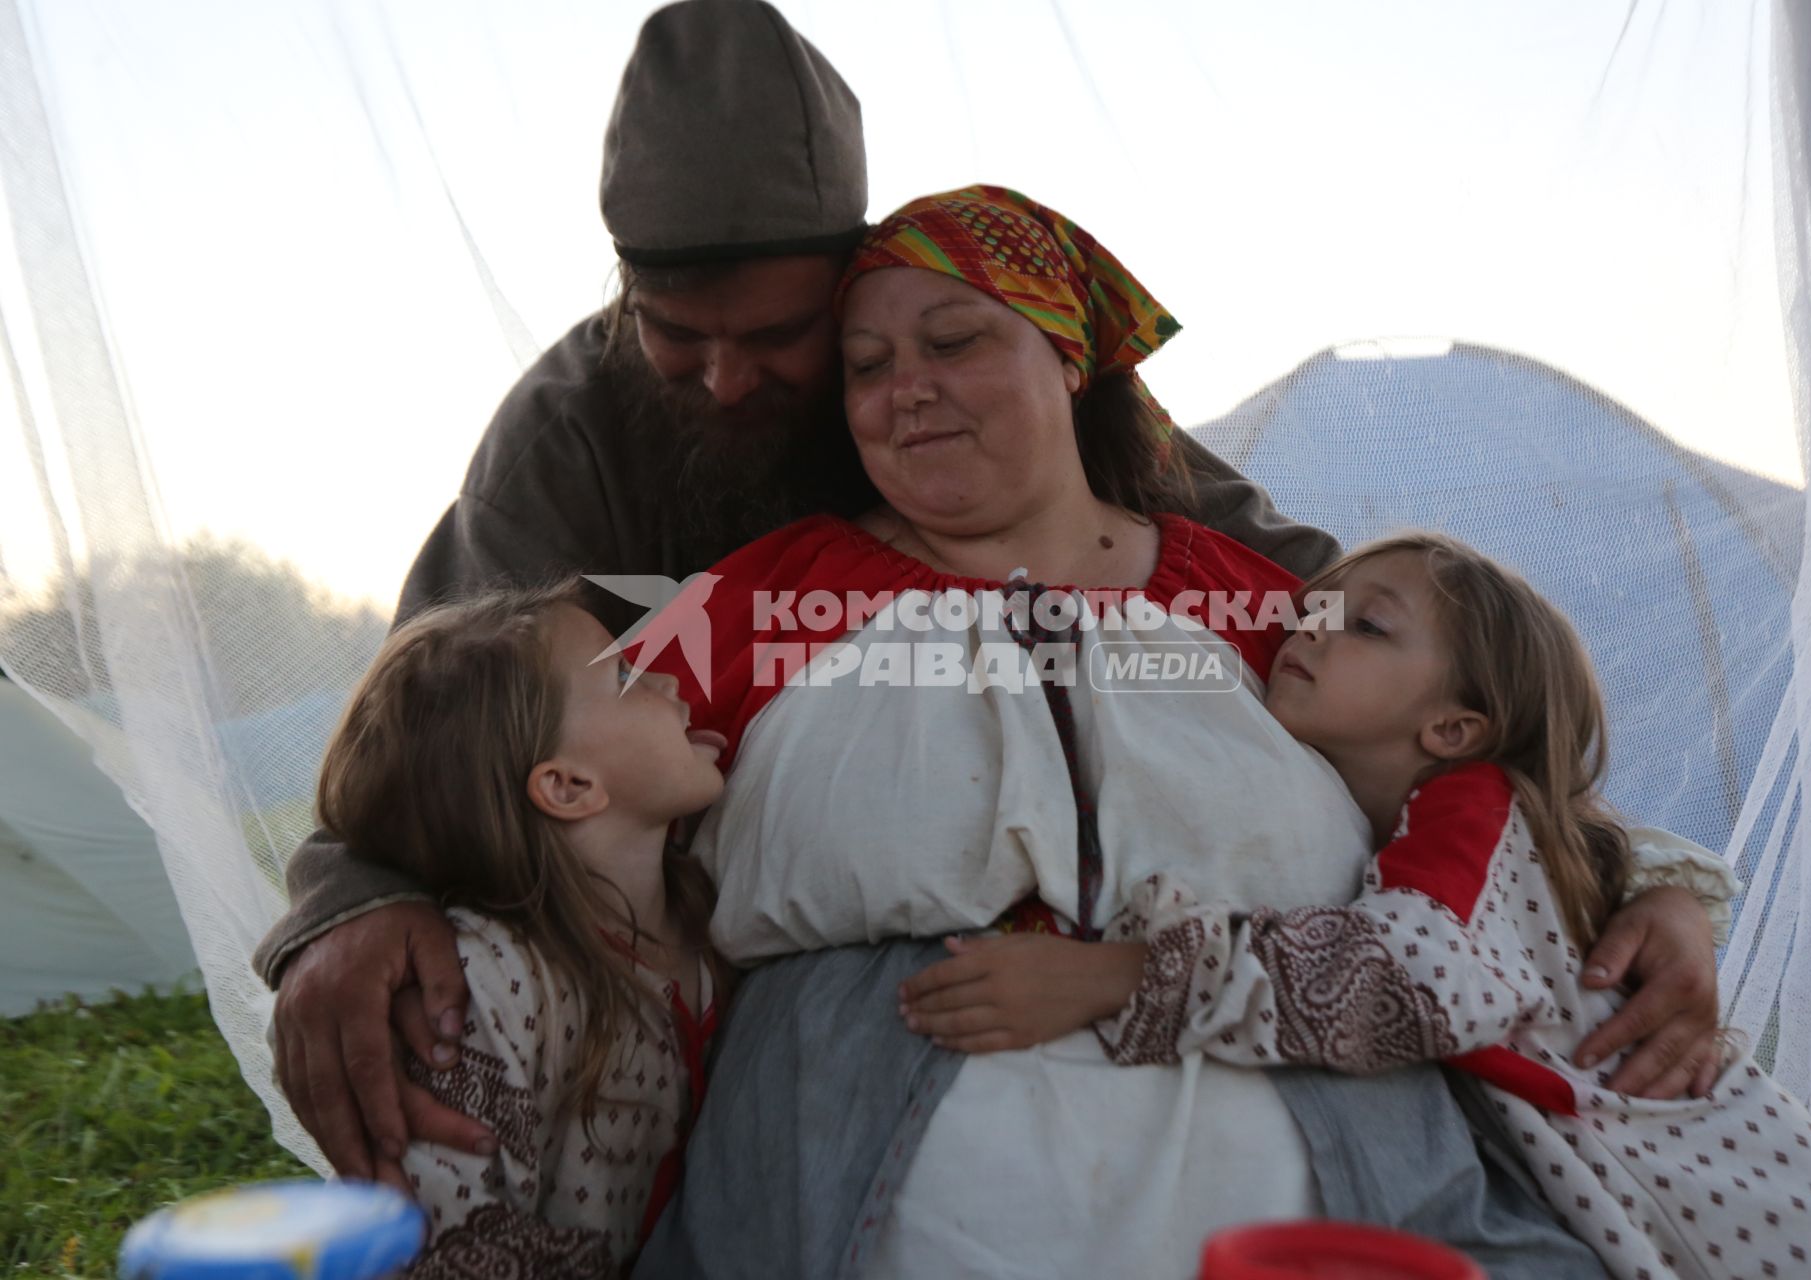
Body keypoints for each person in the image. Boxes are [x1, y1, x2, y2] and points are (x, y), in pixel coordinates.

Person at [252, 0, 1334, 1190]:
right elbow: (443, 708)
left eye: (779, 337)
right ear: (626, 296)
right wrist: (352, 904)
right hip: (743, 954)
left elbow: (1339, 601)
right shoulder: (568, 430)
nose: (724, 379)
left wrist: (1543, 801)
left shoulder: (958, 360)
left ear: (848, 279)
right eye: (674, 333)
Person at [627, 185, 1735, 1280]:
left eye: (954, 341)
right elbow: (548, 769)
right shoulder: (768, 598)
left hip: (1321, 1123)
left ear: (1068, 357)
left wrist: (1658, 889)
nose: (906, 390)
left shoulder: (1263, 605)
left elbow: (1469, 783)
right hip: (852, 1133)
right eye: (867, 367)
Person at [905, 531, 1811, 1277]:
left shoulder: (1470, 808)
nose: (1310, 623)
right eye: (1318, 604)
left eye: (1366, 624)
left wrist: (1121, 975)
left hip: (1754, 1216)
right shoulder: (1419, 818)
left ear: (1454, 725)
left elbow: (1406, 975)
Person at [311, 581, 728, 1277]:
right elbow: (435, 1229)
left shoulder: (703, 923)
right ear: (567, 786)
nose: (664, 674)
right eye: (626, 676)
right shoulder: (487, 982)